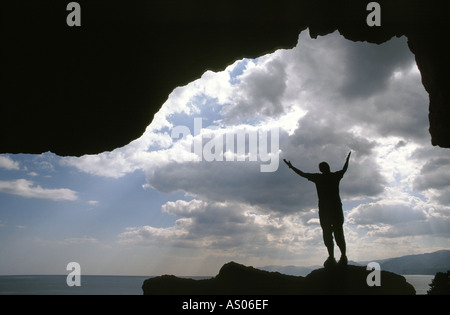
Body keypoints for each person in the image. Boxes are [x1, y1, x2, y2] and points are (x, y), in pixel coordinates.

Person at [284, 152, 351, 268]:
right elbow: (344, 169)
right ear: (328, 168)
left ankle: (333, 257)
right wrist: (347, 160)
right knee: (338, 233)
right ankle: (342, 257)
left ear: (320, 169)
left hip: (325, 211)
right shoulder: (335, 176)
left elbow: (302, 174)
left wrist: (291, 167)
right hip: (335, 210)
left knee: (328, 235)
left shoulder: (318, 177)